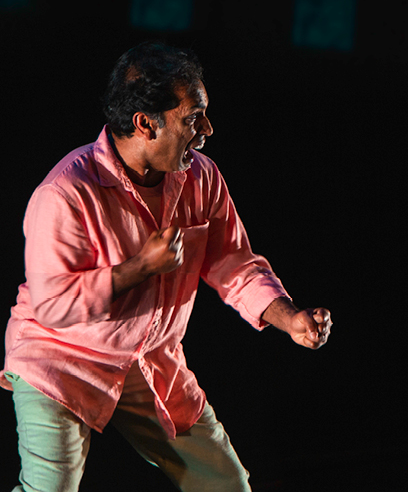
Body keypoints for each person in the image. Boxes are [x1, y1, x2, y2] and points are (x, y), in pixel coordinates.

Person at [1, 41, 332, 490]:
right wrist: (139, 268)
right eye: (194, 117)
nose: (208, 129)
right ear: (145, 124)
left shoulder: (201, 177)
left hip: (151, 360)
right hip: (62, 360)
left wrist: (288, 318)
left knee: (227, 485)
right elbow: (54, 305)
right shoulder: (65, 193)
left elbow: (234, 262)